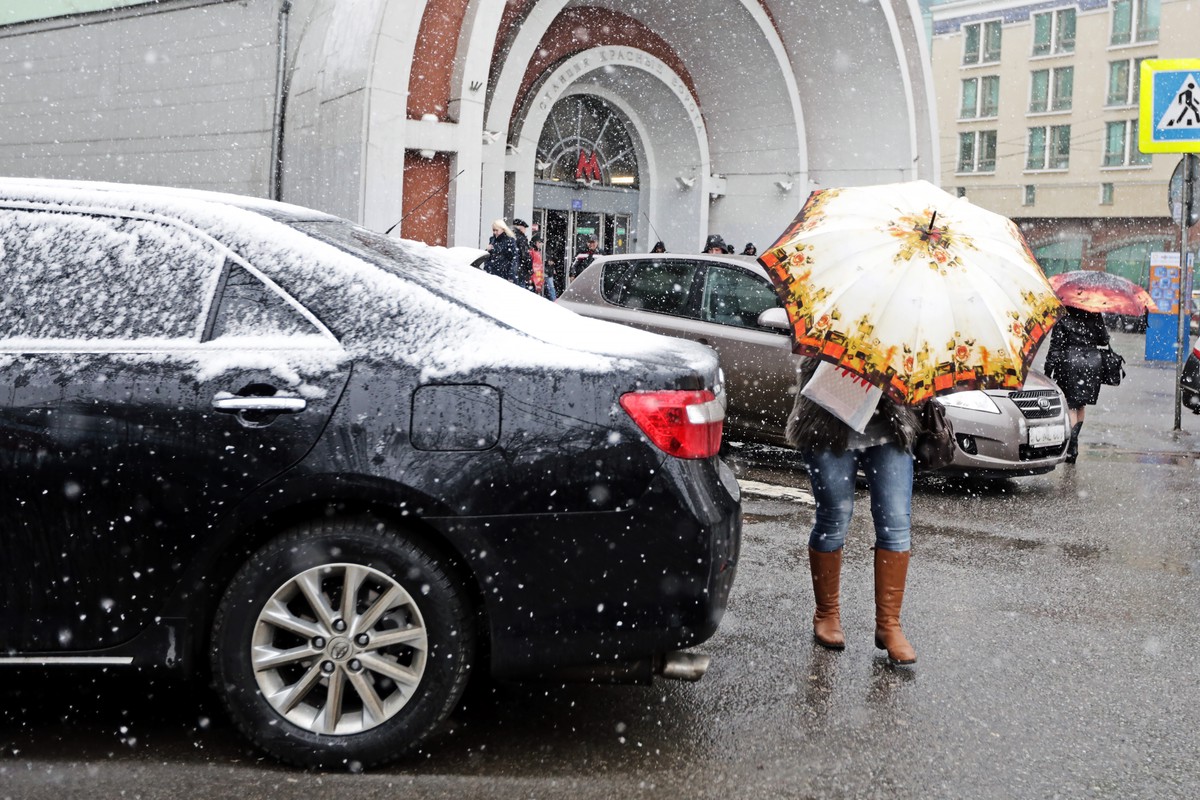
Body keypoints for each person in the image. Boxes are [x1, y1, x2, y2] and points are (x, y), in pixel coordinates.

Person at [786, 357, 922, 666]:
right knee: (834, 518)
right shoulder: (839, 312)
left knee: (896, 522)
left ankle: (889, 625)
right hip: (827, 420)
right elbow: (809, 350)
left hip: (890, 428)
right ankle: (826, 613)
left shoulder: (913, 320)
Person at [1043, 305, 1110, 463]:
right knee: (1080, 405)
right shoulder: (1095, 312)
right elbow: (1104, 340)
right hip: (1092, 364)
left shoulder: (1064, 314)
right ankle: (1074, 445)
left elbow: (1055, 347)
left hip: (1070, 363)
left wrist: (1048, 372)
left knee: (1071, 405)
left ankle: (1071, 448)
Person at [483, 219, 520, 283]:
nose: (495, 232)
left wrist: (511, 275)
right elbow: (488, 257)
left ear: (503, 229)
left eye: (496, 230)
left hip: (504, 274)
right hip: (492, 274)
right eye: (493, 230)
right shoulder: (492, 240)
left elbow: (514, 258)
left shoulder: (510, 240)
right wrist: (487, 250)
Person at [512, 219, 535, 291]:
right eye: (524, 228)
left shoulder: (511, 236)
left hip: (513, 269)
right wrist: (530, 268)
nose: (525, 230)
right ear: (520, 227)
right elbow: (525, 255)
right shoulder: (521, 238)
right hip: (520, 270)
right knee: (521, 291)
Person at [530, 233, 548, 297]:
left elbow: (539, 267)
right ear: (534, 242)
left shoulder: (537, 252)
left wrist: (540, 281)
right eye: (539, 242)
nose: (540, 244)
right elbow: (531, 266)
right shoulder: (532, 251)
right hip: (533, 279)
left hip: (537, 279)